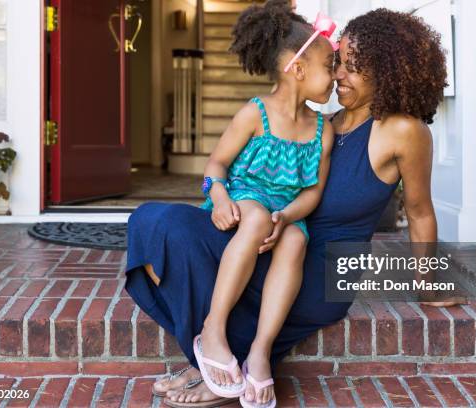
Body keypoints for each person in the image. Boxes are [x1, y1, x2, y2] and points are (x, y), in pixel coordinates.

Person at [125, 7, 456, 407]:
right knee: (158, 222)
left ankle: (219, 373)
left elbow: (420, 211)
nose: (338, 76)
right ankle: (214, 357)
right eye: (337, 65)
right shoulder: (325, 126)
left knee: (212, 255)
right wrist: (230, 202)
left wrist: (429, 284)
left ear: (386, 71)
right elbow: (241, 174)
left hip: (323, 269)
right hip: (277, 245)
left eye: (351, 68)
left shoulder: (403, 130)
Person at [187, 1, 335, 406]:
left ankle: (260, 351)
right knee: (253, 219)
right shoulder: (255, 114)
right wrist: (217, 195)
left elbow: (312, 193)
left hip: (286, 210)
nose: (336, 77)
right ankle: (213, 329)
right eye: (330, 66)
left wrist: (286, 217)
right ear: (299, 70)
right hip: (245, 195)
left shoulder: (322, 131)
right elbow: (217, 163)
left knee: (295, 242)